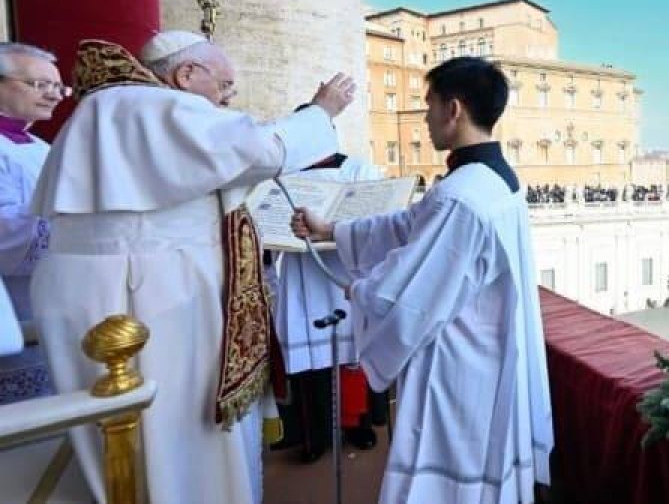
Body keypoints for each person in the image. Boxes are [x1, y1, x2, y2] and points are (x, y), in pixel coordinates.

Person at [30, 33, 355, 504]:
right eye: (224, 85)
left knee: (126, 434)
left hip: (112, 285)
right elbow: (262, 149)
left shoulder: (112, 107)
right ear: (185, 75)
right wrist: (320, 111)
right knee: (173, 434)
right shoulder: (149, 104)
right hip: (152, 294)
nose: (228, 99)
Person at [292, 57, 552, 503]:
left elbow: (411, 294)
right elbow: (409, 225)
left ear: (454, 109)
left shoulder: (462, 195)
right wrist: (332, 229)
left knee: (449, 479)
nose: (425, 117)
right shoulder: (490, 177)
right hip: (486, 347)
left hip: (460, 361)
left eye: (428, 105)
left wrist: (360, 290)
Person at [269, 120, 385, 462]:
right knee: (312, 366)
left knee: (353, 359)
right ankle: (313, 435)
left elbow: (377, 217)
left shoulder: (360, 168)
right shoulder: (284, 175)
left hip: (345, 270)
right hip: (304, 274)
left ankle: (357, 425)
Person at [0, 43, 66, 403]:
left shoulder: (42, 147)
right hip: (12, 306)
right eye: (40, 85)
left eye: (58, 87)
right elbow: (4, 235)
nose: (54, 95)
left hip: (48, 300)